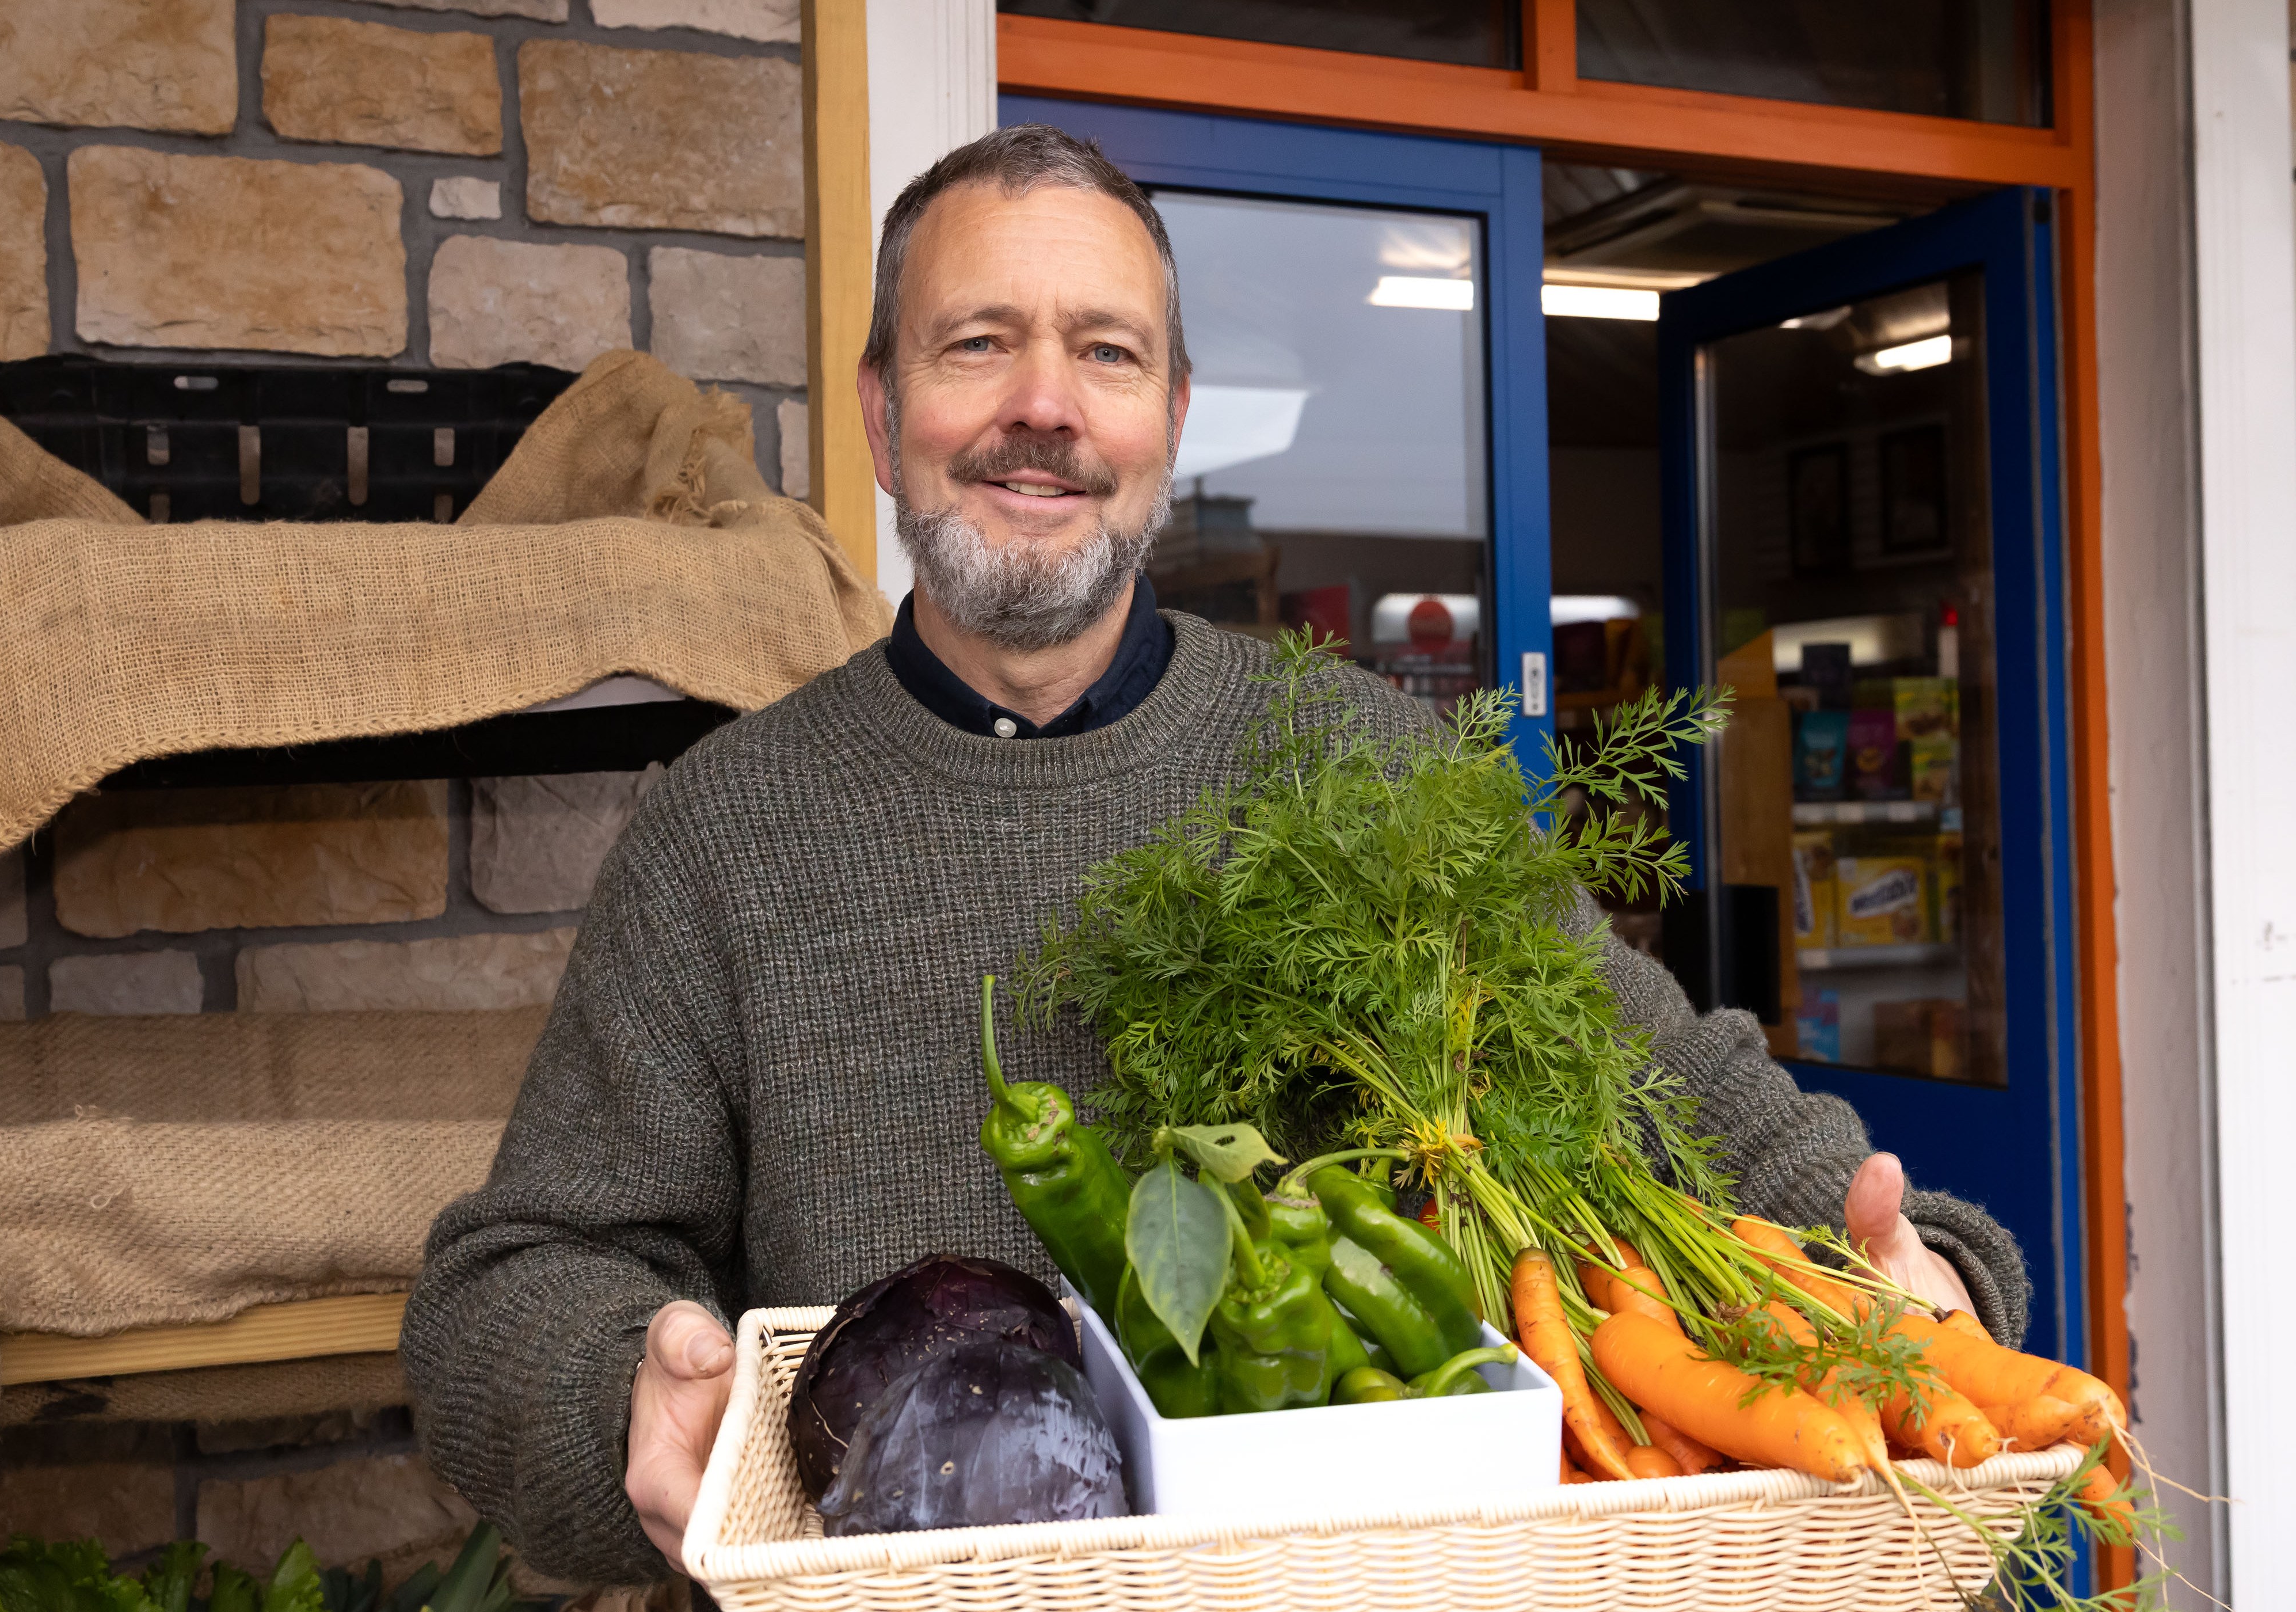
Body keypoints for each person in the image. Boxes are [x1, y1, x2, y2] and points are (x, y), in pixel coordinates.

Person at [402, 124, 2027, 1585]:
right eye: (979, 344)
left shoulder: (1368, 766)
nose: (1045, 407)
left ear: (1169, 425)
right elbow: (513, 1280)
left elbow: (1673, 1091)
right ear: (885, 419)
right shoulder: (723, 830)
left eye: (1105, 353)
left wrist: (1920, 1278)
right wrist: (625, 1387)